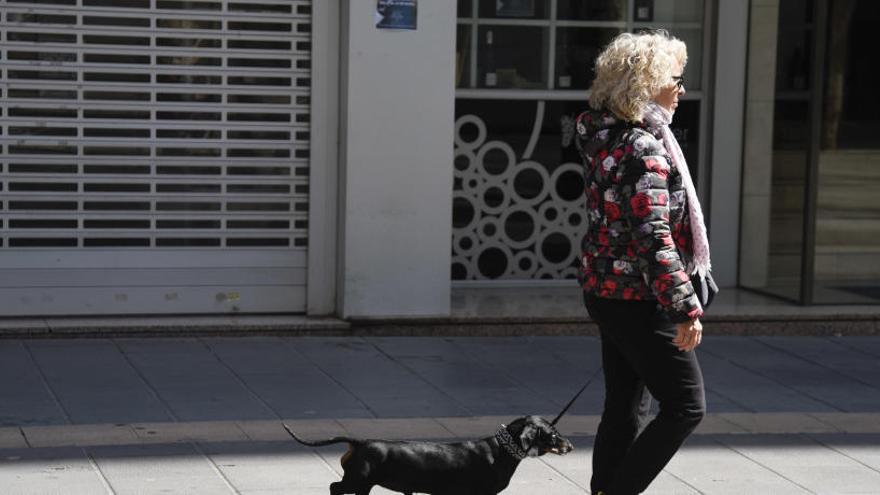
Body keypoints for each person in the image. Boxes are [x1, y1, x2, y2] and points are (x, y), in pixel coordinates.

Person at [574, 30, 710, 495]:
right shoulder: (642, 146)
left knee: (626, 405)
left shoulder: (606, 135)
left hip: (607, 290)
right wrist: (684, 306)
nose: (682, 88)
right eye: (675, 78)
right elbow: (652, 237)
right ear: (645, 83)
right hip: (636, 296)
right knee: (686, 406)